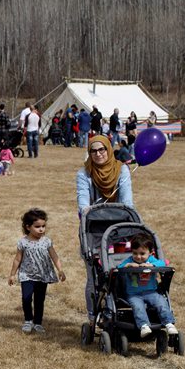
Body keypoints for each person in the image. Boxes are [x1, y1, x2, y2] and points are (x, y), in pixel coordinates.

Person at [76, 136, 133, 321]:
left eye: (102, 150)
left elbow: (127, 203)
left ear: (109, 150)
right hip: (94, 230)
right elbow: (83, 204)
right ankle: (93, 315)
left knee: (122, 272)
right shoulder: (84, 173)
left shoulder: (122, 170)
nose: (98, 154)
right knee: (95, 277)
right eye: (94, 151)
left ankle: (125, 311)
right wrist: (89, 211)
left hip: (119, 230)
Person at [8, 208, 66, 334]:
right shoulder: (23, 242)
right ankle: (28, 320)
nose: (41, 229)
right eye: (37, 226)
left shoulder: (46, 241)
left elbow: (54, 256)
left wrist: (60, 270)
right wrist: (12, 274)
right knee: (26, 298)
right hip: (27, 275)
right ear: (28, 227)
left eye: (43, 226)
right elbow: (17, 259)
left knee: (40, 300)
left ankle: (38, 323)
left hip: (42, 276)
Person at [118, 233, 178, 338]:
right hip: (133, 294)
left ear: (150, 253)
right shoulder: (129, 261)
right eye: (135, 253)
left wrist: (152, 265)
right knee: (138, 307)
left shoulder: (152, 260)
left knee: (161, 303)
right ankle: (144, 325)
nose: (138, 257)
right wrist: (128, 265)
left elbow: (163, 263)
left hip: (151, 292)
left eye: (142, 254)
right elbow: (119, 267)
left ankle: (168, 323)